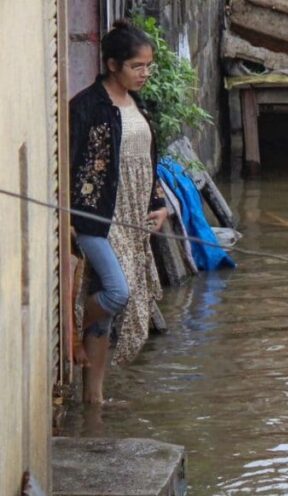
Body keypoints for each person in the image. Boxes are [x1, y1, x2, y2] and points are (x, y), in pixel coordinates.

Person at [70, 19, 167, 404]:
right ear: (112, 65)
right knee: (117, 292)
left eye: (148, 67)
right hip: (97, 219)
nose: (144, 74)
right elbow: (69, 164)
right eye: (136, 66)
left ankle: (94, 400)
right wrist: (68, 221)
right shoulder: (87, 107)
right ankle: (74, 326)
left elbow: (147, 162)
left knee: (109, 313)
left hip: (132, 219)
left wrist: (158, 205)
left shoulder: (137, 104)